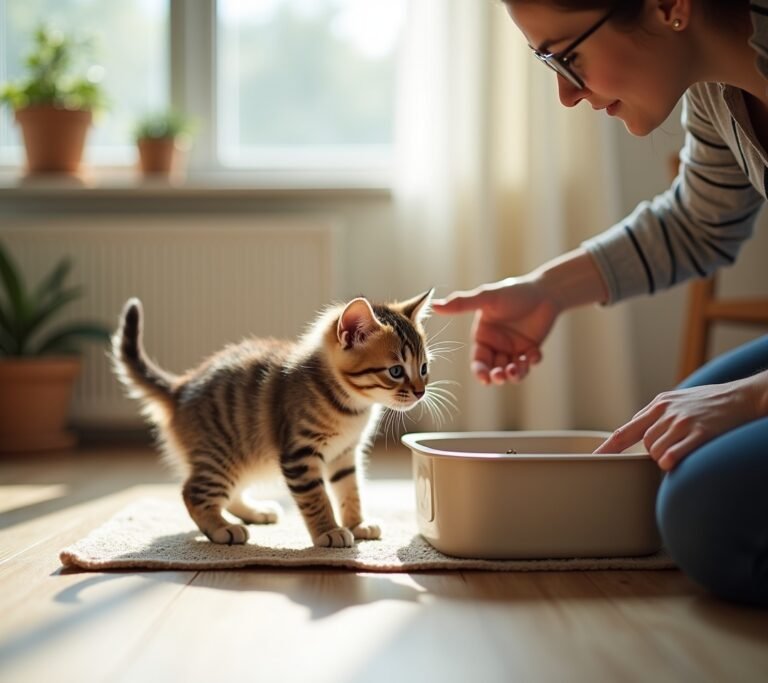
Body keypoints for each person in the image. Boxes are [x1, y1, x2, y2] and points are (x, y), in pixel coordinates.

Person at [433, 0, 768, 608]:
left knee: (708, 518)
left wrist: (754, 396)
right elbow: (699, 222)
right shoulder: (717, 92)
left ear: (671, 6)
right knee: (660, 461)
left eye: (567, 56)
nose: (565, 94)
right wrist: (547, 290)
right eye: (546, 62)